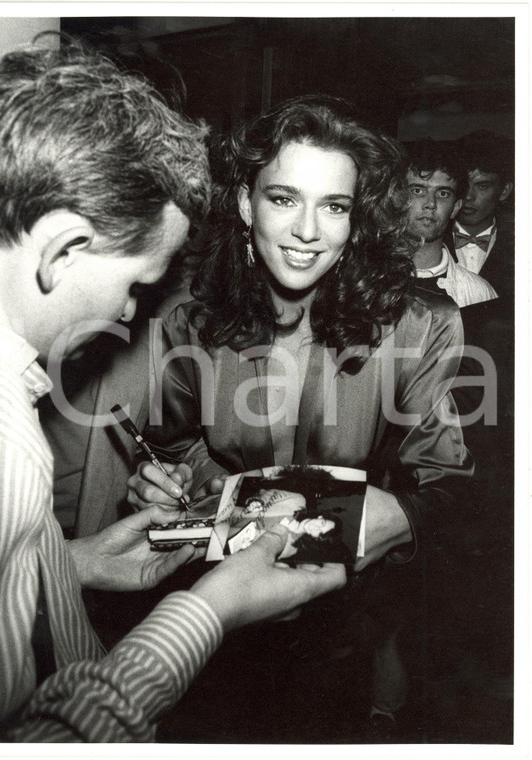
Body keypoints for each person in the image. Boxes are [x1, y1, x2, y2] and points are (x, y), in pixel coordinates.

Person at [0, 40, 347, 742]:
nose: (130, 315)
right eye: (135, 286)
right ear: (62, 249)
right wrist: (207, 612)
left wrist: (70, 563)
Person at [127, 96, 474, 738]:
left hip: (348, 625)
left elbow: (451, 490)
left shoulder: (424, 324)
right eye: (284, 198)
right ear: (243, 204)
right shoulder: (189, 321)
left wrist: (352, 527)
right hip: (215, 622)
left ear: (356, 218)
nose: (308, 231)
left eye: (334, 206)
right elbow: (172, 446)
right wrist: (170, 484)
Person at [405, 140, 498, 309]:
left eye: (443, 193)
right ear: (397, 199)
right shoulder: (365, 282)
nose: (430, 204)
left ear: (455, 207)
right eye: (418, 190)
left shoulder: (478, 294)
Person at [447, 132, 514, 302]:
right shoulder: (427, 240)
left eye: (482, 186)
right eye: (464, 185)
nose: (468, 196)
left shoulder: (520, 248)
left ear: (504, 191)